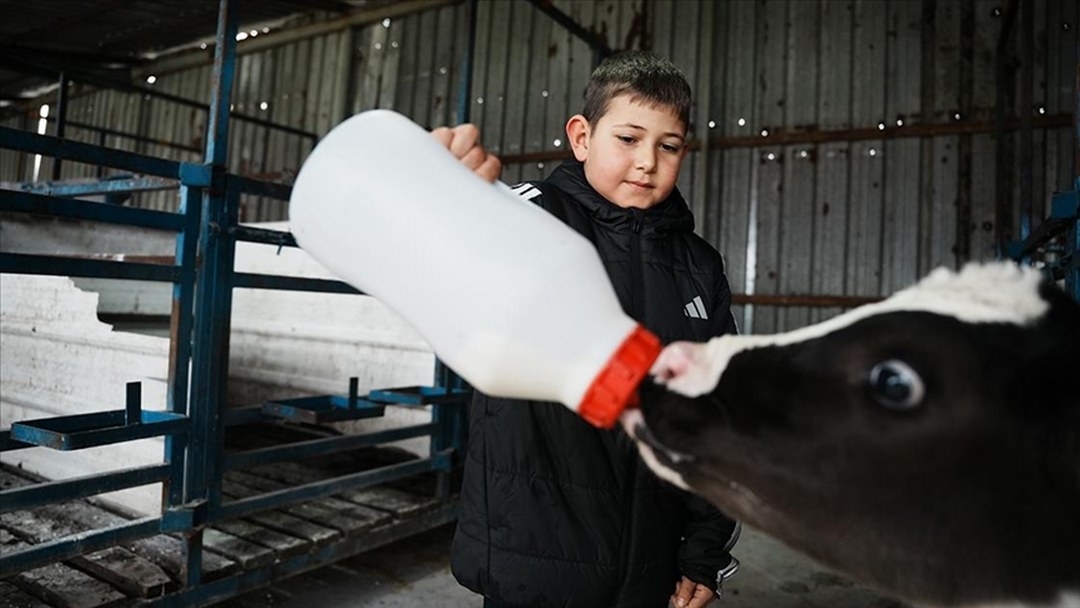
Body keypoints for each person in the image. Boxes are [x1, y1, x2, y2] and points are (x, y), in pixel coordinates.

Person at [433, 51, 740, 608]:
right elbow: (454, 274)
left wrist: (704, 551)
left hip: (651, 574)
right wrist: (443, 206)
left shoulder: (700, 265)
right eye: (628, 138)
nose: (647, 161)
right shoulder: (530, 218)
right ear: (581, 137)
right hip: (533, 565)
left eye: (668, 146)